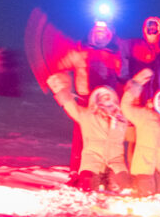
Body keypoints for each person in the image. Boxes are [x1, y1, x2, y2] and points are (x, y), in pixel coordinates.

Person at [53, 20, 127, 177]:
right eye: (97, 33)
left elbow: (122, 75)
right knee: (82, 138)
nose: (100, 36)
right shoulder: (80, 52)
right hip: (86, 99)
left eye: (104, 33)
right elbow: (61, 66)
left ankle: (105, 172)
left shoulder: (114, 54)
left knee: (108, 137)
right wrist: (63, 83)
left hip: (107, 102)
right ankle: (78, 172)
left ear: (109, 35)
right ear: (92, 33)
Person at [48, 73, 130, 192]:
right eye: (103, 96)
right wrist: (60, 89)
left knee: (125, 185)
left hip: (115, 161)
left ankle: (112, 184)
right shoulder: (87, 116)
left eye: (108, 95)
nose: (106, 98)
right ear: (97, 99)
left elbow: (136, 117)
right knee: (88, 183)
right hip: (92, 160)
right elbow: (71, 106)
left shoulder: (122, 119)